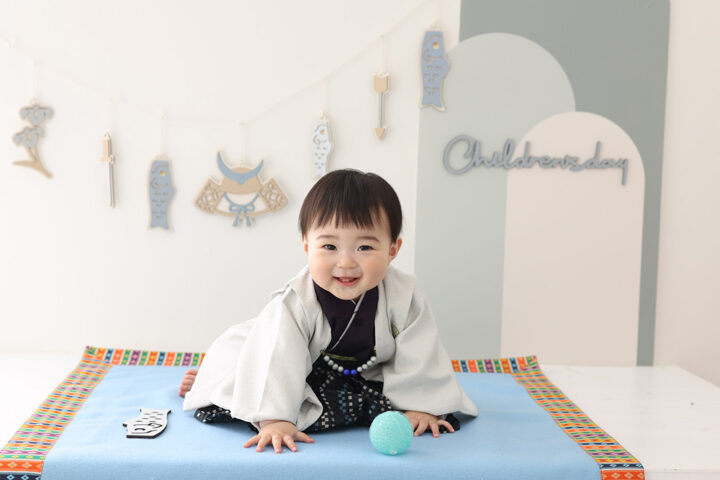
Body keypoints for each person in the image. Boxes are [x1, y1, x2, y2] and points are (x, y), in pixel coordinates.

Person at [180, 169, 477, 453]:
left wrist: (420, 404)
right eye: (330, 247)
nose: (346, 262)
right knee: (239, 373)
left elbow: (420, 353)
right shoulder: (294, 303)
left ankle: (214, 381)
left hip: (358, 372)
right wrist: (276, 420)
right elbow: (275, 359)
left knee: (376, 399)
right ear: (307, 246)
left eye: (364, 247)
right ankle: (210, 378)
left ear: (392, 250)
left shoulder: (405, 297)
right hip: (283, 359)